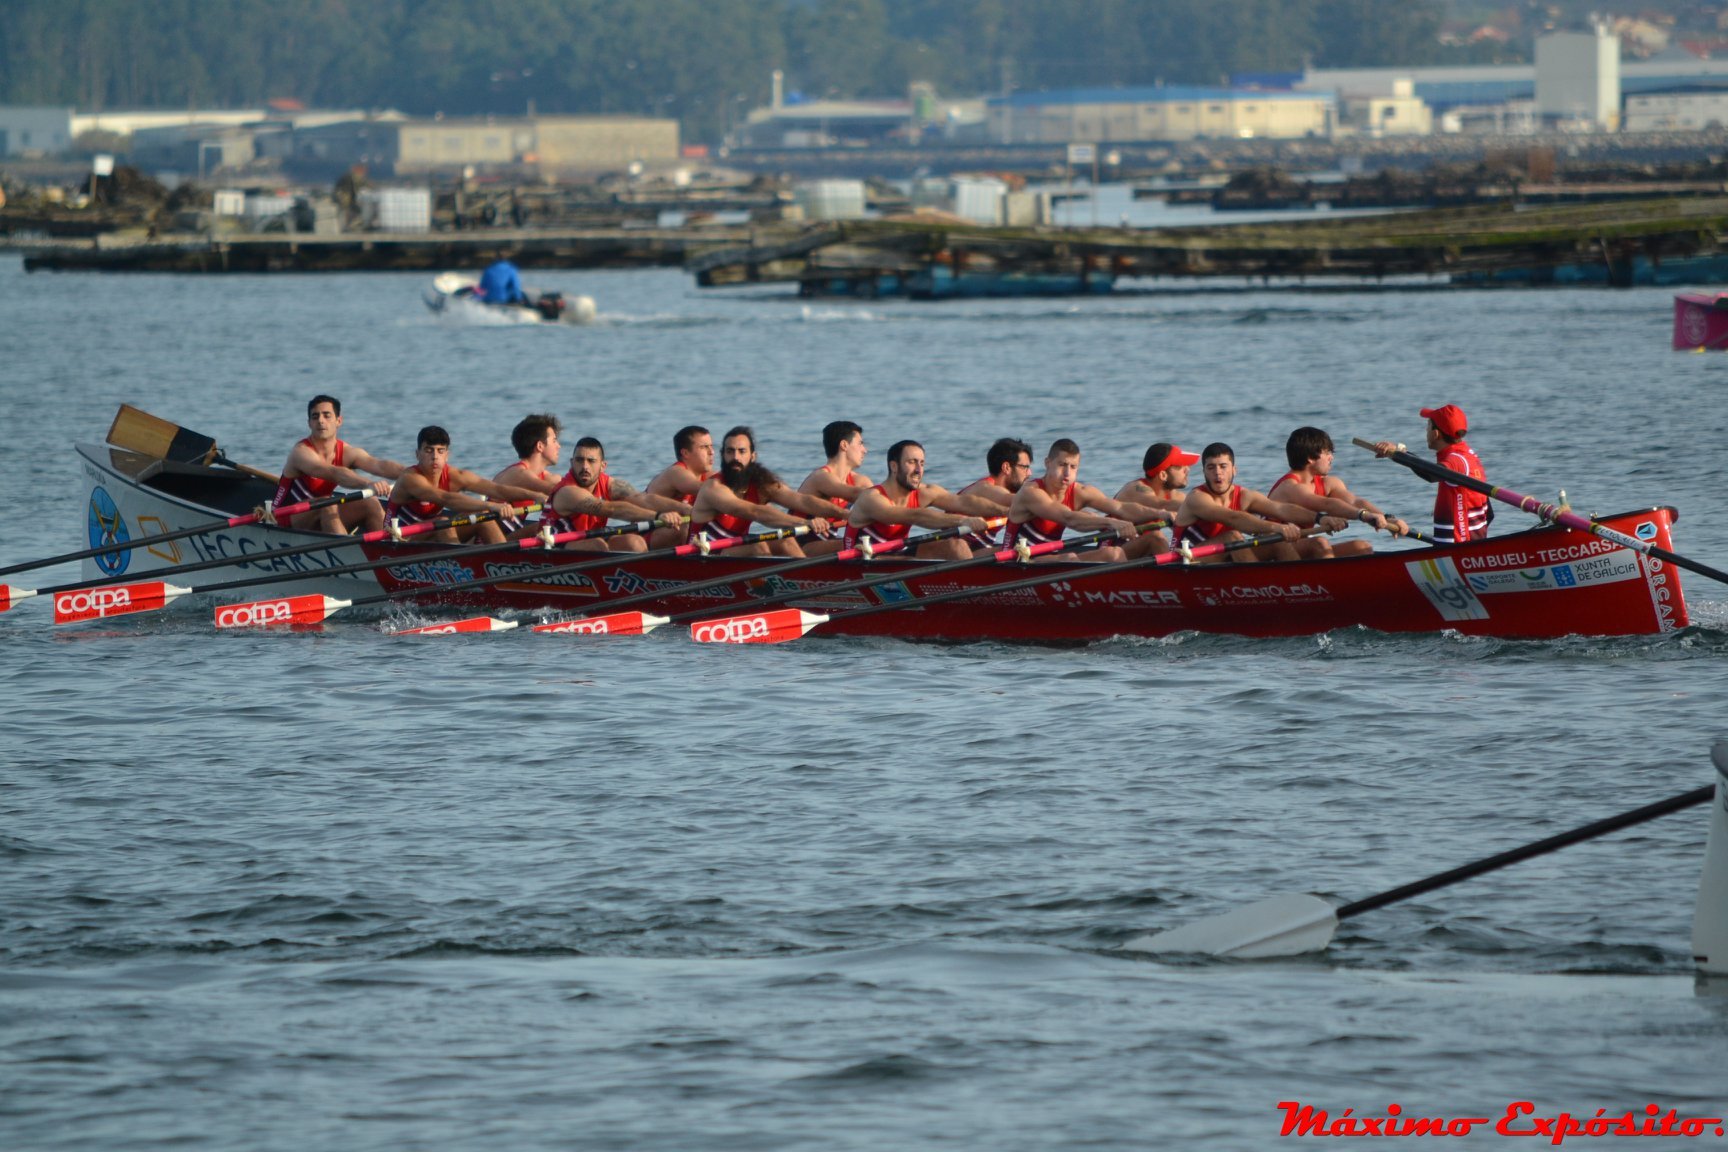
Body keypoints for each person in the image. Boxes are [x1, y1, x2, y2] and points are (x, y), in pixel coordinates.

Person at [1172, 443, 1338, 564]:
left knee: (1276, 540)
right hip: (1186, 560)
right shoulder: (1197, 498)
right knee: (1233, 537)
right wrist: (1277, 527)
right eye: (1211, 468)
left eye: (1223, 466)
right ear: (1204, 472)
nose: (1218, 473)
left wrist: (1319, 518)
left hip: (1225, 555)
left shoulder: (1244, 495)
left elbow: (1281, 509)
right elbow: (1233, 518)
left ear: (1234, 470)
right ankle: (1260, 586)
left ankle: (1303, 585)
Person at [690, 426, 842, 557]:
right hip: (704, 554)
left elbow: (801, 500)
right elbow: (755, 511)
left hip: (734, 549)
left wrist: (845, 514)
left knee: (786, 539)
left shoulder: (760, 483)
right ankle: (775, 585)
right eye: (730, 451)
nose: (735, 457)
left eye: (742, 451)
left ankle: (810, 579)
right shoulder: (714, 488)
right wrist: (805, 522)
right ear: (723, 455)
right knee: (758, 546)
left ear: (753, 456)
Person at [1005, 439, 1165, 564]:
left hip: (1050, 561)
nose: (1067, 473)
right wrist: (1110, 523)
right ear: (1048, 463)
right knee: (1069, 558)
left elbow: (1121, 508)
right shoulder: (1031, 493)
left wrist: (1161, 513)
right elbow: (1070, 519)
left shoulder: (1079, 492)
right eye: (1062, 465)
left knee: (1113, 553)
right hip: (1018, 562)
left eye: (1073, 467)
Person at [385, 425, 543, 545]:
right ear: (417, 454)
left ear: (447, 455)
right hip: (399, 540)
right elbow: (446, 499)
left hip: (432, 534)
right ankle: (460, 567)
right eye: (428, 450)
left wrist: (536, 496)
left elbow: (497, 489)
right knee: (443, 523)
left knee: (482, 516)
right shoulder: (410, 478)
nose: (434, 457)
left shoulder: (455, 476)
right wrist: (493, 506)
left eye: (440, 451)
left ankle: (508, 564)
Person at [1268, 427, 1408, 559]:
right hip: (1270, 547)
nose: (1331, 458)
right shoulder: (1290, 487)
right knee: (1320, 543)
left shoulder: (1329, 483)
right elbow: (1328, 504)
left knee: (1361, 547)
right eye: (1327, 452)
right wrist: (1363, 516)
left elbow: (1356, 502)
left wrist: (1388, 519)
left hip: (1299, 545)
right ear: (1310, 458)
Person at [272, 394, 405, 534]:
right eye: (315, 416)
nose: (321, 421)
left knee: (370, 502)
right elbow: (334, 473)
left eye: (326, 415)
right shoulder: (300, 453)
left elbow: (380, 466)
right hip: (284, 518)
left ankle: (384, 550)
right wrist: (368, 483)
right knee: (327, 504)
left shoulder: (347, 452)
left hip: (323, 512)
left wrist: (415, 473)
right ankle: (347, 552)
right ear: (309, 423)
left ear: (339, 421)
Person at [845, 440, 997, 561]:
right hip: (862, 561)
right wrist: (962, 521)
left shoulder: (924, 492)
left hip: (898, 554)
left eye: (922, 463)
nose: (918, 470)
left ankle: (972, 588)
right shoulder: (871, 498)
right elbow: (916, 516)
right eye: (912, 462)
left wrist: (1007, 511)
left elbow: (964, 503)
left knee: (957, 545)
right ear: (894, 466)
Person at [543, 436, 689, 552]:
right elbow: (610, 509)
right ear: (571, 462)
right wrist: (657, 516)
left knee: (634, 542)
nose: (585, 466)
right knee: (597, 546)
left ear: (603, 466)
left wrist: (685, 509)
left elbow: (643, 498)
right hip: (556, 545)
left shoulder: (609, 484)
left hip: (590, 539)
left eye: (591, 461)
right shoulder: (568, 491)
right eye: (579, 460)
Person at [1375, 405, 1492, 544]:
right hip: (1468, 547)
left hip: (1457, 548)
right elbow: (1489, 514)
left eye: (1428, 425)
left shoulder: (1456, 460)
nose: (1426, 430)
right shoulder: (1470, 456)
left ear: (1436, 434)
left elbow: (1431, 474)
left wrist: (1397, 453)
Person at [492, 414, 564, 538]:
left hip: (510, 535)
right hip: (489, 542)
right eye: (554, 440)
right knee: (542, 527)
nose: (559, 446)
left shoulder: (545, 476)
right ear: (540, 446)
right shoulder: (517, 474)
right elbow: (556, 490)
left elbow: (563, 485)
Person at [956, 437, 1034, 549]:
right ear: (1006, 467)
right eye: (1025, 467)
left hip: (978, 551)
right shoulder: (985, 489)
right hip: (957, 553)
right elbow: (1022, 501)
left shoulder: (1002, 490)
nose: (1029, 473)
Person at [797, 420, 874, 510]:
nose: (865, 450)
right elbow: (854, 494)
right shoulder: (821, 477)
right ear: (844, 445)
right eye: (860, 443)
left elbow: (881, 500)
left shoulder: (860, 481)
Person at [1115, 443, 1200, 521]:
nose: (1188, 469)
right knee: (1156, 536)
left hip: (1143, 533)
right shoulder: (1137, 489)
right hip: (1115, 534)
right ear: (1163, 475)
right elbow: (1161, 505)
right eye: (1179, 466)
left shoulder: (1175, 496)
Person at [644, 425, 716, 508]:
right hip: (646, 517)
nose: (712, 452)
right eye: (704, 447)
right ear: (685, 453)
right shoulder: (675, 473)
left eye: (711, 446)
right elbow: (703, 488)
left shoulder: (707, 475)